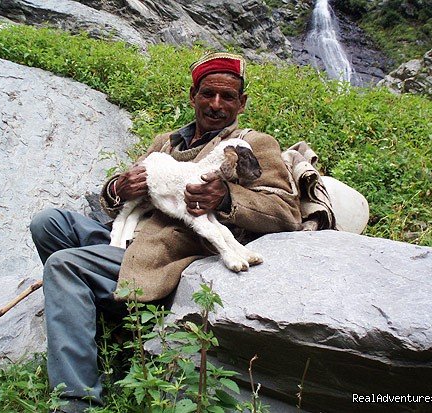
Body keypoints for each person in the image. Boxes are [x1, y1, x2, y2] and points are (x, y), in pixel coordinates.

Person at [30, 52, 303, 413]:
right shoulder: (166, 141)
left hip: (171, 250)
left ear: (242, 103)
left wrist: (225, 198)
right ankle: (107, 314)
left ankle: (74, 399)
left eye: (228, 97)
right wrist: (118, 188)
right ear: (193, 96)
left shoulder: (253, 143)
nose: (216, 104)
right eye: (208, 94)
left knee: (65, 265)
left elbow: (286, 212)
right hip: (129, 236)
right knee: (47, 223)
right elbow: (124, 199)